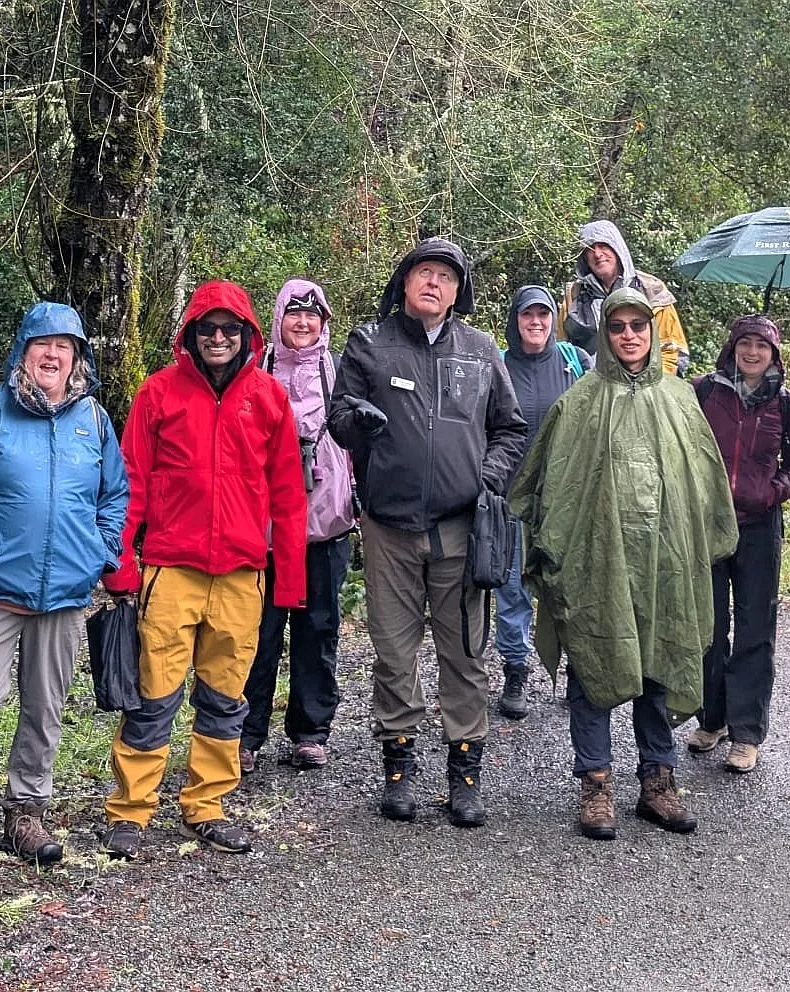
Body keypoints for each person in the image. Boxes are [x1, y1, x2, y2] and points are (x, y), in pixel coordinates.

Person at [511, 288, 737, 840]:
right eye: (619, 327)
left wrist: (697, 544)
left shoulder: (681, 400)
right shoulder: (580, 400)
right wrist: (558, 551)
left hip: (666, 561)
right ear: (606, 333)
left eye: (640, 325)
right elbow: (553, 485)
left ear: (654, 331)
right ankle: (596, 785)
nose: (630, 335)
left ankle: (658, 783)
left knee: (660, 664)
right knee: (597, 666)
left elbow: (702, 485)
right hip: (600, 561)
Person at [100, 280, 308, 858]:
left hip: (242, 575)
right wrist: (121, 563)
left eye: (229, 330)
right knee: (152, 696)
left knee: (224, 697)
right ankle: (131, 810)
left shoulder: (268, 398)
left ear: (247, 336)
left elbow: (289, 495)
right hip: (170, 569)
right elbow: (129, 484)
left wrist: (289, 581)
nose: (218, 338)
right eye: (207, 329)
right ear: (189, 335)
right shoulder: (158, 393)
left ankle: (206, 804)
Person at [0, 302, 128, 871]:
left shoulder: (94, 421)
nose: (54, 354)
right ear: (23, 350)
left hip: (63, 595)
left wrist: (99, 551)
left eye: (67, 346)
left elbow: (114, 496)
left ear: (78, 357)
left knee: (46, 706)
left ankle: (26, 813)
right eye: (44, 344)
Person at [328, 237, 527, 828]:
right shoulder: (370, 344)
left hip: (461, 529)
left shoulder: (481, 350)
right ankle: (399, 768)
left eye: (446, 276)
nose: (434, 283)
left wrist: (483, 477)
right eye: (424, 273)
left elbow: (510, 430)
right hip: (388, 528)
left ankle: (465, 775)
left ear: (459, 290)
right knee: (392, 652)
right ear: (405, 282)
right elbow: (339, 418)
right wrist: (356, 425)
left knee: (464, 653)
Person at [239, 280, 356, 772]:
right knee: (256, 631)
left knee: (319, 628)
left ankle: (311, 730)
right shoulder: (254, 370)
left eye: (313, 316)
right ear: (278, 318)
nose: (304, 324)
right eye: (294, 314)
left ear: (325, 322)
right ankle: (246, 731)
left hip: (326, 523)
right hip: (264, 528)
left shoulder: (340, 372)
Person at [690, 314, 790, 773]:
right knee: (709, 625)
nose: (753, 352)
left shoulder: (785, 405)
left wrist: (770, 491)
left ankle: (747, 732)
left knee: (755, 630)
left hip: (760, 528)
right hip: (709, 524)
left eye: (762, 345)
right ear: (733, 347)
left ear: (774, 354)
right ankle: (712, 717)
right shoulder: (706, 392)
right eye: (746, 343)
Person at [494, 285, 593, 720]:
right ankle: (516, 669)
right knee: (512, 590)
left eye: (543, 315)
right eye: (527, 315)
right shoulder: (495, 364)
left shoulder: (576, 362)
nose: (536, 322)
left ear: (554, 318)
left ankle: (576, 667)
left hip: (564, 501)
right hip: (511, 499)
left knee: (565, 589)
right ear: (515, 320)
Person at [560, 219, 691, 377]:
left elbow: (672, 351)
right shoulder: (574, 295)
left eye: (603, 245)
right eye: (590, 249)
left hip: (645, 392)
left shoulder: (651, 289)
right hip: (591, 392)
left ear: (617, 247)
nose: (597, 254)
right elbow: (561, 348)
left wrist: (645, 386)